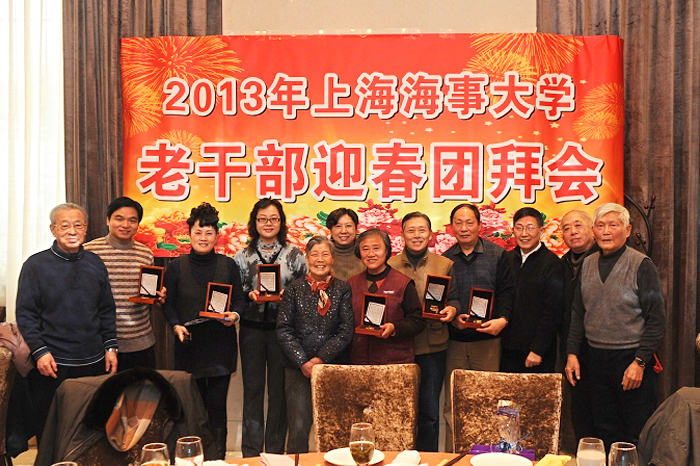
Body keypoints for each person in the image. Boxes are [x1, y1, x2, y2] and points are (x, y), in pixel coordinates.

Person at [566, 203, 666, 448]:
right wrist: (572, 353)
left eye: (613, 225)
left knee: (635, 432)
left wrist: (640, 362)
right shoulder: (588, 264)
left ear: (627, 230)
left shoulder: (641, 265)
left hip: (630, 359)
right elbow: (578, 313)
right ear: (594, 231)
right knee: (604, 427)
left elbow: (656, 320)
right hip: (595, 359)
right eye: (600, 226)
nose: (606, 231)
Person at [15, 203, 117, 443]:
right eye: (65, 226)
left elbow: (106, 309)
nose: (72, 231)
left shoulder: (95, 263)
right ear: (53, 229)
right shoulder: (35, 266)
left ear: (86, 229)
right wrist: (40, 352)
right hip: (52, 363)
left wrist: (110, 347)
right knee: (52, 430)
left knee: (92, 428)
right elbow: (26, 314)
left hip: (93, 361)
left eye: (78, 225)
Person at [162, 202, 243, 459]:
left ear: (217, 236)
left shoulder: (228, 265)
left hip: (220, 348)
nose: (203, 237)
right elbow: (168, 304)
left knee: (217, 408)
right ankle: (191, 458)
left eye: (209, 233)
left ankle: (217, 459)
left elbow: (239, 301)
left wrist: (234, 316)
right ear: (189, 234)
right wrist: (175, 324)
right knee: (191, 409)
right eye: (198, 232)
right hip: (188, 347)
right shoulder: (176, 266)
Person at [234, 198, 307, 457]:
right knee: (252, 391)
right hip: (251, 331)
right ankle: (251, 453)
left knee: (279, 393)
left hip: (282, 333)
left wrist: (287, 295)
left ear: (281, 222)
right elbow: (235, 293)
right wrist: (249, 295)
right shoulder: (242, 256)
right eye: (262, 218)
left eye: (274, 218)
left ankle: (275, 452)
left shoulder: (295, 254)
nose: (268, 223)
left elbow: (304, 291)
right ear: (254, 222)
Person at [441, 203, 514, 451]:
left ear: (480, 226)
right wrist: (453, 318)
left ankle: (487, 454)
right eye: (458, 223)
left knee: (489, 400)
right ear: (451, 228)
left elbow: (507, 292)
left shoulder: (497, 255)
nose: (464, 228)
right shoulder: (445, 259)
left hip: (488, 343)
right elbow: (442, 298)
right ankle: (455, 454)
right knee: (454, 403)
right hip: (454, 342)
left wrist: (503, 320)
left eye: (469, 222)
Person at [387, 212, 458, 451]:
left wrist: (452, 309)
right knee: (398, 408)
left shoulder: (444, 264)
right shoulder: (390, 265)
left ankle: (427, 458)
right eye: (411, 230)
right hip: (398, 347)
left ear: (430, 234)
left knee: (429, 411)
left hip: (433, 346)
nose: (416, 235)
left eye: (422, 230)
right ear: (402, 234)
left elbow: (455, 298)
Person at [276, 236, 354, 453]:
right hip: (298, 369)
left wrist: (320, 360)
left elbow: (345, 331)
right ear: (307, 258)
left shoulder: (343, 289)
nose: (320, 260)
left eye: (325, 254)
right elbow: (283, 329)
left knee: (334, 427)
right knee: (298, 428)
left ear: (332, 259)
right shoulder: (293, 289)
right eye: (315, 254)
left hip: (332, 367)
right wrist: (303, 362)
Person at [84, 197, 165, 370]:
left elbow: (149, 294)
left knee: (142, 388)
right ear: (108, 220)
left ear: (138, 224)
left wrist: (158, 296)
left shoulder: (145, 254)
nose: (125, 225)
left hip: (140, 342)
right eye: (119, 219)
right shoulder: (89, 252)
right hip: (101, 344)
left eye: (132, 220)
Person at [500, 207, 564, 373]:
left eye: (530, 228)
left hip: (536, 353)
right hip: (507, 347)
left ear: (541, 231)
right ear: (513, 230)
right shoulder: (507, 259)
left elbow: (553, 311)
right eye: (519, 228)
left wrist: (538, 350)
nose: (524, 234)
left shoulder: (552, 263)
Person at [348, 228, 425, 365]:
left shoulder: (403, 283)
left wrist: (395, 328)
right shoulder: (352, 283)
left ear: (387, 250)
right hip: (359, 361)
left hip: (394, 361)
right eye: (365, 249)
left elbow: (418, 320)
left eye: (376, 248)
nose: (371, 254)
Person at [559, 209, 598, 445]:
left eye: (578, 225)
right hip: (571, 347)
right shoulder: (562, 263)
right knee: (578, 407)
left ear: (592, 229)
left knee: (601, 410)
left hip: (599, 347)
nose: (572, 232)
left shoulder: (603, 259)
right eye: (566, 228)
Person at [326, 207, 365, 281]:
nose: (343, 231)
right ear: (330, 230)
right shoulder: (322, 255)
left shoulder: (366, 253)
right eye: (338, 226)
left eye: (348, 226)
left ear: (356, 228)